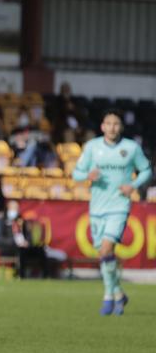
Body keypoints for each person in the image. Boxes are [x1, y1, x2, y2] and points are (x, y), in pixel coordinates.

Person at [73, 109, 151, 316]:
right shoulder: (92, 147)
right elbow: (76, 173)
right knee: (103, 254)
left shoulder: (131, 148)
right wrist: (88, 175)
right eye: (108, 123)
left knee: (107, 249)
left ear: (120, 127)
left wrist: (132, 185)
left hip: (119, 206)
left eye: (116, 124)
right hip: (97, 207)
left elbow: (146, 170)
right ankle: (119, 293)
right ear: (102, 127)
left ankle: (108, 295)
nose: (112, 127)